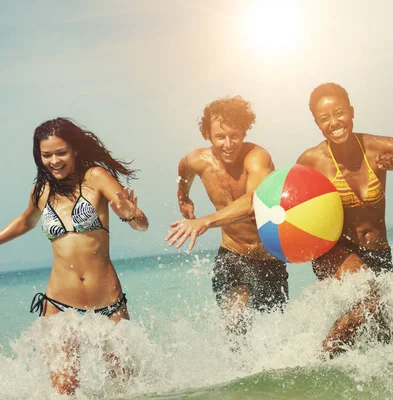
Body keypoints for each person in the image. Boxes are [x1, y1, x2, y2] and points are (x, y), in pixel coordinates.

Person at [0, 118, 149, 395]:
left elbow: (142, 223)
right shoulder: (41, 191)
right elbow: (24, 222)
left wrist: (131, 215)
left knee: (126, 386)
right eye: (47, 155)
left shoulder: (96, 178)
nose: (54, 161)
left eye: (61, 153)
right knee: (64, 389)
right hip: (59, 304)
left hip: (108, 302)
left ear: (75, 150)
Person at [296, 83, 393, 357]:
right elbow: (291, 204)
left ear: (351, 112)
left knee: (384, 337)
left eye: (339, 113)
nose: (334, 123)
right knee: (371, 298)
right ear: (317, 124)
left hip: (379, 254)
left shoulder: (378, 147)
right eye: (324, 118)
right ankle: (319, 360)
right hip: (337, 253)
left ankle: (338, 371)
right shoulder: (311, 160)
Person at [165, 96, 289, 336]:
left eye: (235, 135)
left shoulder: (257, 157)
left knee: (274, 336)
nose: (228, 144)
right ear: (208, 137)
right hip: (232, 254)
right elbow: (184, 169)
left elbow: (253, 200)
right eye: (220, 137)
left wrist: (205, 221)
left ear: (244, 132)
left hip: (270, 258)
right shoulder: (198, 160)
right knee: (235, 317)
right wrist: (183, 198)